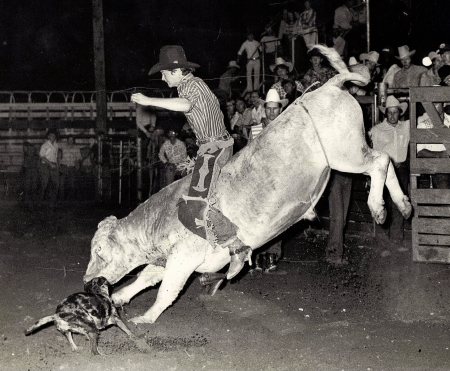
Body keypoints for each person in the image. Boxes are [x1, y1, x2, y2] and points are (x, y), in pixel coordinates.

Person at [131, 45, 251, 281]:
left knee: (193, 207)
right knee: (192, 205)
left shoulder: (191, 85)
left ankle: (236, 246)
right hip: (212, 147)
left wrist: (148, 100)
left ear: (176, 70)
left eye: (164, 73)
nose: (163, 78)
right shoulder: (194, 84)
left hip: (214, 148)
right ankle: (213, 256)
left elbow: (185, 105)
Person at [251, 89, 288, 274]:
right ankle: (258, 254)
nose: (272, 112)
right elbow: (250, 154)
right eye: (269, 109)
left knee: (276, 217)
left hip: (279, 178)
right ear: (265, 109)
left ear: (280, 109)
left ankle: (273, 254)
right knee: (258, 217)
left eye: (276, 109)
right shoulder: (255, 129)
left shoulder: (287, 129)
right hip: (259, 178)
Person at [369, 96, 410, 244]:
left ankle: (397, 238)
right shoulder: (377, 130)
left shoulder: (406, 127)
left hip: (402, 169)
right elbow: (373, 154)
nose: (393, 115)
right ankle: (382, 239)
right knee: (383, 201)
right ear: (386, 113)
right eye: (390, 112)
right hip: (384, 171)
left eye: (395, 112)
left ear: (400, 112)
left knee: (400, 202)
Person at [39, 129, 60, 208]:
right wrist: (50, 164)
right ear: (48, 136)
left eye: (54, 136)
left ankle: (52, 203)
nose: (53, 137)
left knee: (56, 184)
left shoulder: (56, 145)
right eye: (51, 135)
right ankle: (40, 202)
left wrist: (57, 165)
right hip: (45, 165)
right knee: (44, 184)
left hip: (54, 166)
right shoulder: (44, 145)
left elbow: (56, 156)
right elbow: (42, 157)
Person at [59, 136, 82, 200]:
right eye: (69, 139)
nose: (71, 141)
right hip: (63, 166)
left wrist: (77, 164)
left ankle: (70, 199)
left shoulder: (77, 148)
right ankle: (62, 199)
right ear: (67, 140)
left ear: (73, 141)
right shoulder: (63, 147)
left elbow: (79, 158)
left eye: (72, 140)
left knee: (72, 184)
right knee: (62, 183)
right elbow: (58, 154)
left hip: (72, 167)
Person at [22, 142, 40, 208]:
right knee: (29, 188)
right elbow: (24, 166)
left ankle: (31, 204)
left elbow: (25, 165)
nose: (24, 149)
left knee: (31, 188)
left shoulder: (30, 153)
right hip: (30, 173)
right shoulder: (28, 154)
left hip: (32, 173)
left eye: (24, 147)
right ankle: (29, 203)